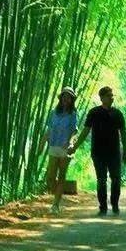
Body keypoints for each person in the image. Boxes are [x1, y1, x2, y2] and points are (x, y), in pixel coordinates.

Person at [70, 85, 126, 216]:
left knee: (116, 179)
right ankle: (103, 207)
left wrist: (125, 151)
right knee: (101, 179)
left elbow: (123, 134)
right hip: (98, 152)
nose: (111, 98)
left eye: (112, 95)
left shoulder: (118, 114)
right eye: (109, 95)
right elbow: (85, 132)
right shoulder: (94, 112)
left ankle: (115, 204)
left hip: (114, 152)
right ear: (102, 98)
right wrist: (75, 147)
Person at [43, 87, 78, 215]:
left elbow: (74, 131)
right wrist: (42, 143)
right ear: (61, 97)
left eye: (69, 97)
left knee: (61, 176)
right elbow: (49, 130)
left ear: (72, 99)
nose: (66, 99)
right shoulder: (53, 113)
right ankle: (58, 196)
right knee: (50, 178)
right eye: (64, 96)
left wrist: (70, 143)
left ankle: (56, 204)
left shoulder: (73, 114)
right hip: (53, 145)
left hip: (65, 148)